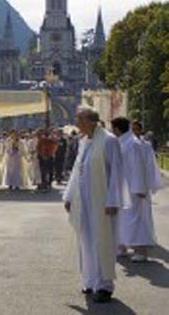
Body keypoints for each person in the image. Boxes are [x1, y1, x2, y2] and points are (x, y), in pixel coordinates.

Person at [63, 108, 125, 304]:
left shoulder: (109, 141)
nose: (77, 123)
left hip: (102, 201)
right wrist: (69, 196)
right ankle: (90, 281)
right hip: (84, 201)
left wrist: (113, 201)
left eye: (79, 119)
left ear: (91, 121)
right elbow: (77, 169)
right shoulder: (84, 141)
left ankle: (105, 286)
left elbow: (117, 172)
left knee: (102, 241)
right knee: (86, 241)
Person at [113, 119, 160, 262]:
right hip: (123, 188)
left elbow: (137, 167)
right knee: (122, 219)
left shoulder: (132, 144)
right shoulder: (123, 142)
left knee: (136, 219)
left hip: (133, 190)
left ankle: (141, 250)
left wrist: (139, 188)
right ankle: (121, 246)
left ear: (117, 129)